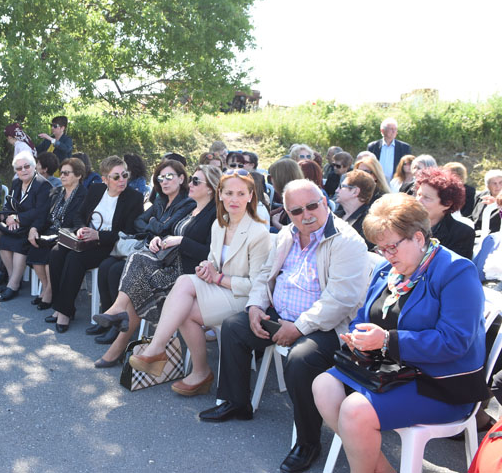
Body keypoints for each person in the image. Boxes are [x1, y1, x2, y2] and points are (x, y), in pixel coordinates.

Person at [197, 179, 369, 473]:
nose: (306, 215)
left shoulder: (347, 241)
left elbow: (340, 300)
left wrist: (299, 327)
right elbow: (265, 275)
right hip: (282, 315)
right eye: (296, 211)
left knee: (301, 360)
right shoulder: (287, 234)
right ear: (287, 213)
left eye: (312, 206)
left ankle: (308, 442)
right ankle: (238, 403)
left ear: (325, 202)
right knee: (235, 326)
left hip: (325, 327)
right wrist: (255, 306)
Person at [312, 193, 488, 473]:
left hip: (440, 383)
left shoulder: (456, 271)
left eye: (391, 247)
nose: (386, 255)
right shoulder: (388, 269)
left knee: (355, 411)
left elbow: (454, 342)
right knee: (323, 386)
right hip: (392, 370)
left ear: (418, 238)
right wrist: (357, 337)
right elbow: (364, 316)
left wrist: (386, 341)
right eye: (381, 248)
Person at [92, 165, 221, 365]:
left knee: (137, 269)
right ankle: (117, 338)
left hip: (189, 275)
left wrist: (180, 241)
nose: (190, 184)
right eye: (192, 179)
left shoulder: (214, 215)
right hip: (170, 265)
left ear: (211, 188)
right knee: (136, 274)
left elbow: (210, 253)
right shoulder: (192, 209)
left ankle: (117, 327)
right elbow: (156, 227)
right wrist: (160, 239)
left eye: (196, 181)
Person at [93, 159, 195, 340]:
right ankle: (109, 318)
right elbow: (138, 221)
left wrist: (153, 223)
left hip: (165, 257)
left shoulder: (187, 203)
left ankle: (118, 327)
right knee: (106, 265)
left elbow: (165, 228)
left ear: (181, 178)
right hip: (147, 247)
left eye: (169, 177)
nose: (164, 182)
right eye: (161, 178)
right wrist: (155, 225)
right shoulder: (161, 200)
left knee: (116, 270)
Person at [47, 155, 144, 332]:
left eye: (125, 175)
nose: (122, 180)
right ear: (105, 179)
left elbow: (129, 232)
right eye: (116, 177)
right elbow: (79, 215)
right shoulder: (96, 190)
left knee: (75, 258)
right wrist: (81, 229)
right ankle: (60, 306)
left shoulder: (134, 198)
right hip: (85, 240)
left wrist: (98, 235)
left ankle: (64, 312)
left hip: (110, 245)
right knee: (56, 253)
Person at [28, 157, 88, 310]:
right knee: (35, 247)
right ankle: (47, 287)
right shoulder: (56, 192)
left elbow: (79, 222)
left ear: (78, 175)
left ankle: (49, 292)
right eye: (61, 173)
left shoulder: (84, 196)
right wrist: (34, 228)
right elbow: (43, 215)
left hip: (67, 233)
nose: (62, 176)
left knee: (52, 253)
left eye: (66, 173)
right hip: (50, 230)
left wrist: (59, 233)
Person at [0, 151, 52, 301]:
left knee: (20, 243)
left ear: (34, 167)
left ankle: (13, 285)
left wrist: (18, 218)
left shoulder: (43, 185)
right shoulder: (16, 183)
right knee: (4, 241)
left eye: (27, 166)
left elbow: (40, 211)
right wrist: (9, 217)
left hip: (35, 225)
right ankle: (13, 280)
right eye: (19, 168)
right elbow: (9, 204)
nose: (23, 170)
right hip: (17, 226)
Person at [415, 167, 473, 259]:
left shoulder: (461, 233)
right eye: (418, 195)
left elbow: (455, 266)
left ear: (447, 204)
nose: (418, 201)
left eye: (427, 198)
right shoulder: (402, 225)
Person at [334, 170, 376, 249]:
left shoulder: (369, 223)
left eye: (341, 187)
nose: (337, 190)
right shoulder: (335, 216)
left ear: (355, 192)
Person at [367, 117, 412, 183]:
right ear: (382, 131)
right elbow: (368, 166)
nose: (394, 131)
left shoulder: (404, 147)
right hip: (376, 182)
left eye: (395, 129)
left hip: (397, 183)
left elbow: (408, 167)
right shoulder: (373, 146)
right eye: (391, 129)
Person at [471, 169, 502, 234]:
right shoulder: (481, 196)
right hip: (475, 233)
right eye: (494, 183)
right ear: (487, 186)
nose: (498, 186)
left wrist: (497, 205)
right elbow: (473, 217)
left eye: (500, 182)